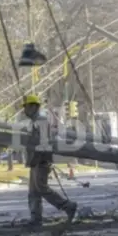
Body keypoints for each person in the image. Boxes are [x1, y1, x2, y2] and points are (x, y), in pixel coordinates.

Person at [21, 94, 77, 226]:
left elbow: (43, 143)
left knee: (41, 189)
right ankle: (36, 218)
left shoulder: (41, 121)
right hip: (35, 161)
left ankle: (68, 206)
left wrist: (38, 158)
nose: (25, 110)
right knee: (33, 192)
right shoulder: (34, 121)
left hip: (41, 161)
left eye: (26, 107)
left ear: (34, 107)